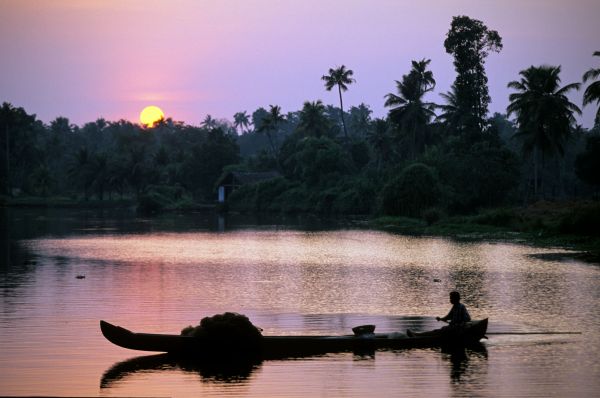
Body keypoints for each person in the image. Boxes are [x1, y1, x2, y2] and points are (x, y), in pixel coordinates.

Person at [407, 291, 471, 337]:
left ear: (456, 299)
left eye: (451, 298)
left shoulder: (461, 307)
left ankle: (417, 335)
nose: (450, 300)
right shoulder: (455, 307)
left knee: (438, 331)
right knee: (438, 331)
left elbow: (467, 319)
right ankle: (417, 334)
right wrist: (441, 319)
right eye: (450, 298)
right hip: (454, 328)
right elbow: (448, 317)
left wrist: (459, 324)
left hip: (457, 330)